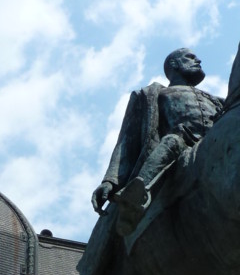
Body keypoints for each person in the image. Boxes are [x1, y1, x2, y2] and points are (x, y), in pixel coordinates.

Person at [92, 49, 224, 235]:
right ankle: (135, 199)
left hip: (216, 143)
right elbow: (126, 141)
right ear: (174, 64)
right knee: (171, 141)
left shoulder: (216, 100)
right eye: (190, 57)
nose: (198, 60)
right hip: (181, 145)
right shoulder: (152, 94)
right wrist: (110, 181)